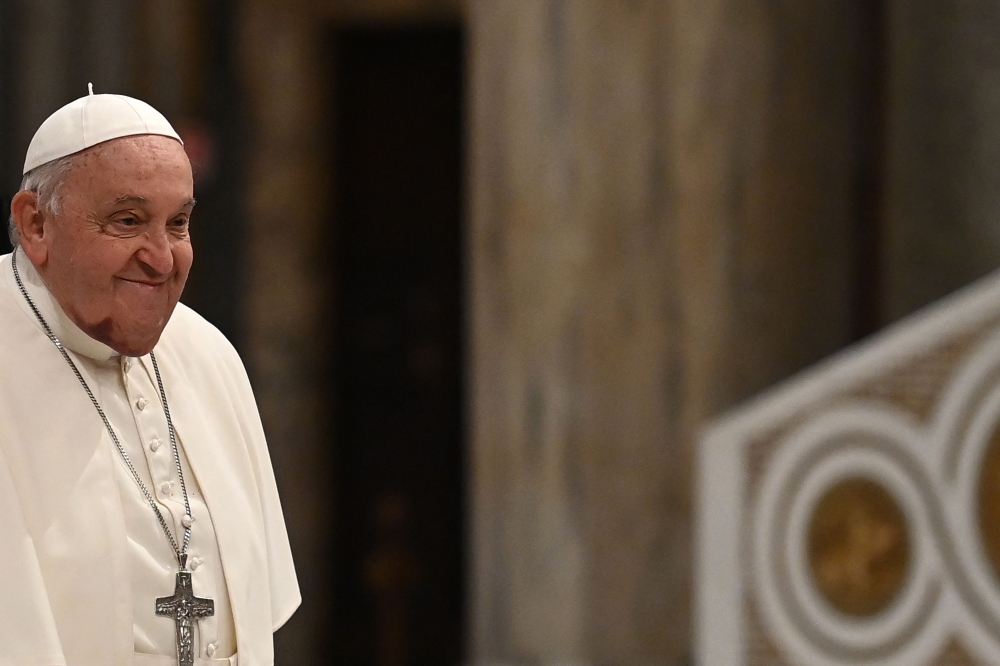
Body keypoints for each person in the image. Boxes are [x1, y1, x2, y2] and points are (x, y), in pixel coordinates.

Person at [0, 88, 299, 666]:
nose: (161, 258)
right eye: (128, 221)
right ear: (35, 224)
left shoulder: (207, 354)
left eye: (179, 223)